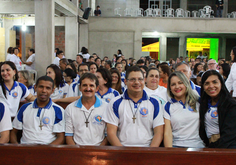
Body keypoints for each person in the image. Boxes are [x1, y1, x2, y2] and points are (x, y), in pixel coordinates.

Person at [103, 66, 164, 147]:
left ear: (144, 80)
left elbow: (159, 132)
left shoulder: (154, 102)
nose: (137, 82)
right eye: (132, 79)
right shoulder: (115, 102)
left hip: (147, 149)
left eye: (140, 79)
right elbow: (111, 133)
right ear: (125, 81)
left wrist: (150, 153)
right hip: (122, 149)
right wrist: (123, 153)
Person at [11, 76, 65, 145]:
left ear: (52, 91)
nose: (44, 91)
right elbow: (13, 132)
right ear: (35, 87)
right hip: (26, 149)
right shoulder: (25, 108)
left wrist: (46, 150)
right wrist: (17, 148)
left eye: (48, 88)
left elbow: (61, 137)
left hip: (48, 150)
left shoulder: (58, 110)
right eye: (41, 87)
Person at [65, 73, 108, 146]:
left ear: (97, 88)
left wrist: (98, 151)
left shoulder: (106, 107)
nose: (88, 89)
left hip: (99, 149)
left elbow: (107, 136)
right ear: (80, 88)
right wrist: (76, 152)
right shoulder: (70, 108)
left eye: (91, 85)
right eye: (85, 85)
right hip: (77, 150)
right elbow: (69, 136)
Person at [164, 71, 204, 148]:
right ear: (170, 88)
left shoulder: (198, 101)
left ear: (186, 84)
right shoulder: (168, 106)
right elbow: (167, 133)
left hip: (197, 146)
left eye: (180, 83)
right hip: (176, 146)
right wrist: (169, 153)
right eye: (173, 84)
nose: (177, 86)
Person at [199, 70, 236, 148]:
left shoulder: (231, 105)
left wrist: (212, 146)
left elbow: (229, 135)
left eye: (215, 82)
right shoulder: (203, 104)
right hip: (209, 147)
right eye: (207, 83)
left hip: (228, 148)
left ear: (221, 84)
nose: (211, 86)